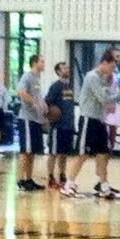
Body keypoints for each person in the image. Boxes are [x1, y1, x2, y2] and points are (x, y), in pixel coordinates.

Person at [62, 50, 120, 199]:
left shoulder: (103, 78)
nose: (113, 70)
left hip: (99, 120)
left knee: (103, 154)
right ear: (104, 63)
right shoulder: (92, 77)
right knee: (83, 154)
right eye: (112, 67)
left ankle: (104, 187)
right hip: (88, 119)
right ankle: (68, 184)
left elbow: (107, 96)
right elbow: (104, 99)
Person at [15, 55, 47, 192]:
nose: (44, 63)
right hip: (27, 119)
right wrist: (33, 102)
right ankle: (20, 180)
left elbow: (38, 96)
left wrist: (43, 107)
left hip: (36, 119)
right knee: (25, 151)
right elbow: (20, 91)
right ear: (34, 63)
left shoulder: (37, 79)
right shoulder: (27, 76)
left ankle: (29, 179)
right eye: (42, 61)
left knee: (32, 152)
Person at [45, 62, 76, 190]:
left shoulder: (69, 86)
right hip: (57, 126)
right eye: (64, 68)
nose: (67, 69)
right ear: (58, 71)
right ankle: (51, 177)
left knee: (64, 153)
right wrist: (50, 117)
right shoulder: (55, 86)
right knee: (53, 153)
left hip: (68, 125)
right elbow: (47, 102)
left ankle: (62, 175)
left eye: (68, 67)